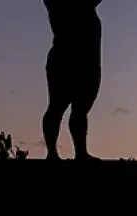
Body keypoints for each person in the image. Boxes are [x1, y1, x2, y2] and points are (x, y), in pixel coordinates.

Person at [43, 0, 104, 160]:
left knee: (79, 110)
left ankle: (80, 152)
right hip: (66, 60)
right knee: (57, 107)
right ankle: (52, 153)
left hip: (88, 61)